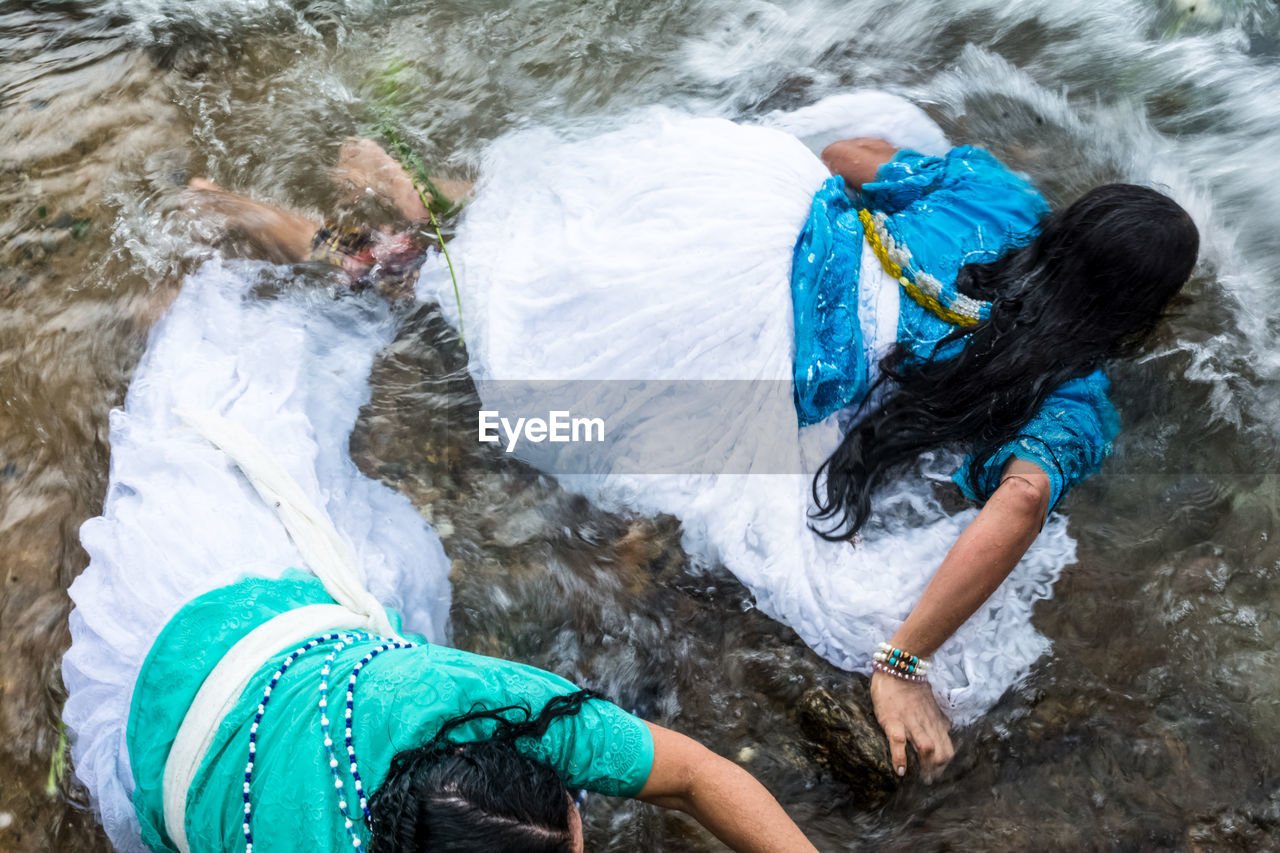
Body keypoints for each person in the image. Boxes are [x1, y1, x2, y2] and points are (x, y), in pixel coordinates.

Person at [164, 91, 1200, 787]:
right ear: (1137, 313)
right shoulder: (1073, 396)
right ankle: (291, 219)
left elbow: (850, 155)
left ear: (1066, 222)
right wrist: (901, 659)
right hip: (743, 367)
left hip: (714, 240)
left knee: (531, 240)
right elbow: (1018, 501)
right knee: (468, 308)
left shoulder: (995, 198)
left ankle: (405, 199)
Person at [60, 222, 818, 852]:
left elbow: (693, 775)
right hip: (188, 742)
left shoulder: (491, 708)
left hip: (251, 648)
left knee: (266, 420)